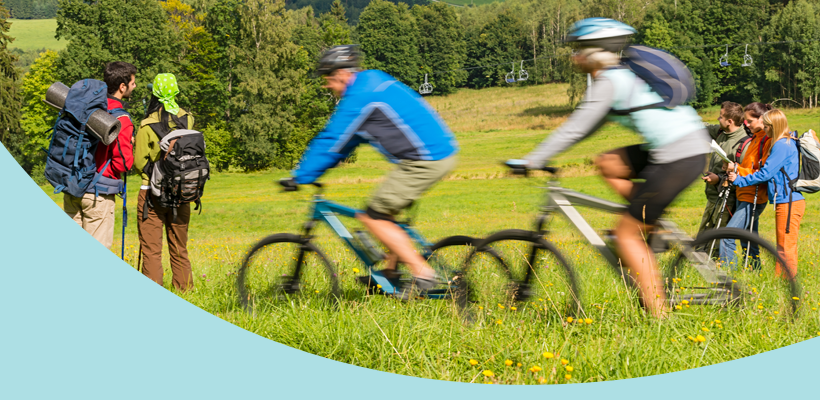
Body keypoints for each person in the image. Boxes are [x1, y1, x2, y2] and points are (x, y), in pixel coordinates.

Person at [510, 18, 709, 318]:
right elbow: (588, 127)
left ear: (595, 52)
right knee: (608, 163)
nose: (574, 56)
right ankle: (650, 224)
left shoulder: (610, 81)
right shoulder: (625, 76)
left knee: (626, 235)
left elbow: (575, 129)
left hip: (677, 155)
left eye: (579, 48)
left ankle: (660, 318)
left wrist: (532, 160)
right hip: (681, 146)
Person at [280, 45, 458, 297]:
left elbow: (332, 141)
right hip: (439, 151)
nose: (327, 86)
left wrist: (301, 175)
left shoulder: (359, 98)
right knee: (388, 213)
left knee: (372, 217)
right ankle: (391, 274)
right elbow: (347, 143)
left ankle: (423, 273)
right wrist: (324, 165)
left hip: (425, 159)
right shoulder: (373, 80)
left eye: (328, 79)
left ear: (341, 74)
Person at [63, 61, 136, 250]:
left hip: (72, 186)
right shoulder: (121, 119)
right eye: (133, 83)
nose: (134, 86)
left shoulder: (86, 107)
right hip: (98, 194)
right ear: (122, 87)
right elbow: (123, 165)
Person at [133, 73, 196, 291]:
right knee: (179, 246)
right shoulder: (187, 119)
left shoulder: (146, 125)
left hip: (152, 192)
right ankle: (185, 291)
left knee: (151, 249)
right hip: (182, 191)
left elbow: (139, 162)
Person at [728, 109, 804, 279]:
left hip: (789, 201)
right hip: (786, 200)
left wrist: (739, 180)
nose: (765, 129)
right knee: (783, 245)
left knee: (785, 246)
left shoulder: (782, 145)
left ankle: (786, 284)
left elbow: (765, 174)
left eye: (767, 126)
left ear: (774, 125)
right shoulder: (784, 142)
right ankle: (784, 282)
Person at [718, 102, 773, 269]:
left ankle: (728, 277)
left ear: (762, 119)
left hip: (754, 197)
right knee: (749, 236)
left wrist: (735, 168)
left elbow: (761, 172)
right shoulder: (755, 139)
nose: (746, 124)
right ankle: (754, 269)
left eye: (749, 121)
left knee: (727, 235)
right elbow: (750, 166)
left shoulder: (766, 140)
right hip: (745, 194)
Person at [697, 101, 749, 246]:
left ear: (730, 121)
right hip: (713, 196)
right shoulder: (722, 132)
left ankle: (715, 266)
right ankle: (698, 263)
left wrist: (718, 179)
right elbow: (704, 128)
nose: (718, 119)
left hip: (727, 198)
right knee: (703, 235)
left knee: (717, 240)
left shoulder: (743, 144)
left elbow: (743, 174)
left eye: (720, 117)